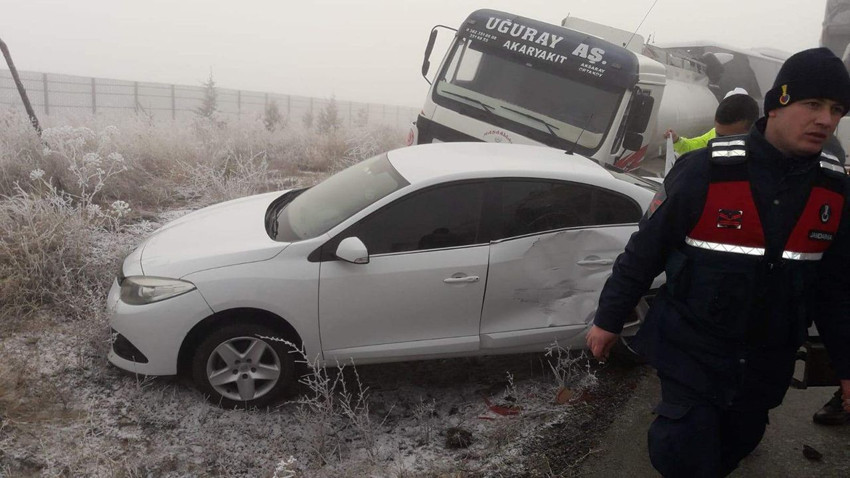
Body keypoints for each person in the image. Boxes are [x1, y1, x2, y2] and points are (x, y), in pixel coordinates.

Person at [586, 47, 850, 477]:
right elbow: (645, 249)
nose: (826, 119)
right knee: (682, 449)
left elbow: (836, 288)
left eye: (836, 109)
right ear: (777, 105)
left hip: (767, 363)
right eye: (813, 104)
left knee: (736, 445)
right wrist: (609, 318)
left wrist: (845, 365)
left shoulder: (834, 190)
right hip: (694, 351)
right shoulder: (705, 171)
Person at [663, 87, 759, 155]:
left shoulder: (762, 148)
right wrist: (676, 141)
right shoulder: (712, 134)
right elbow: (691, 147)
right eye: (720, 136)